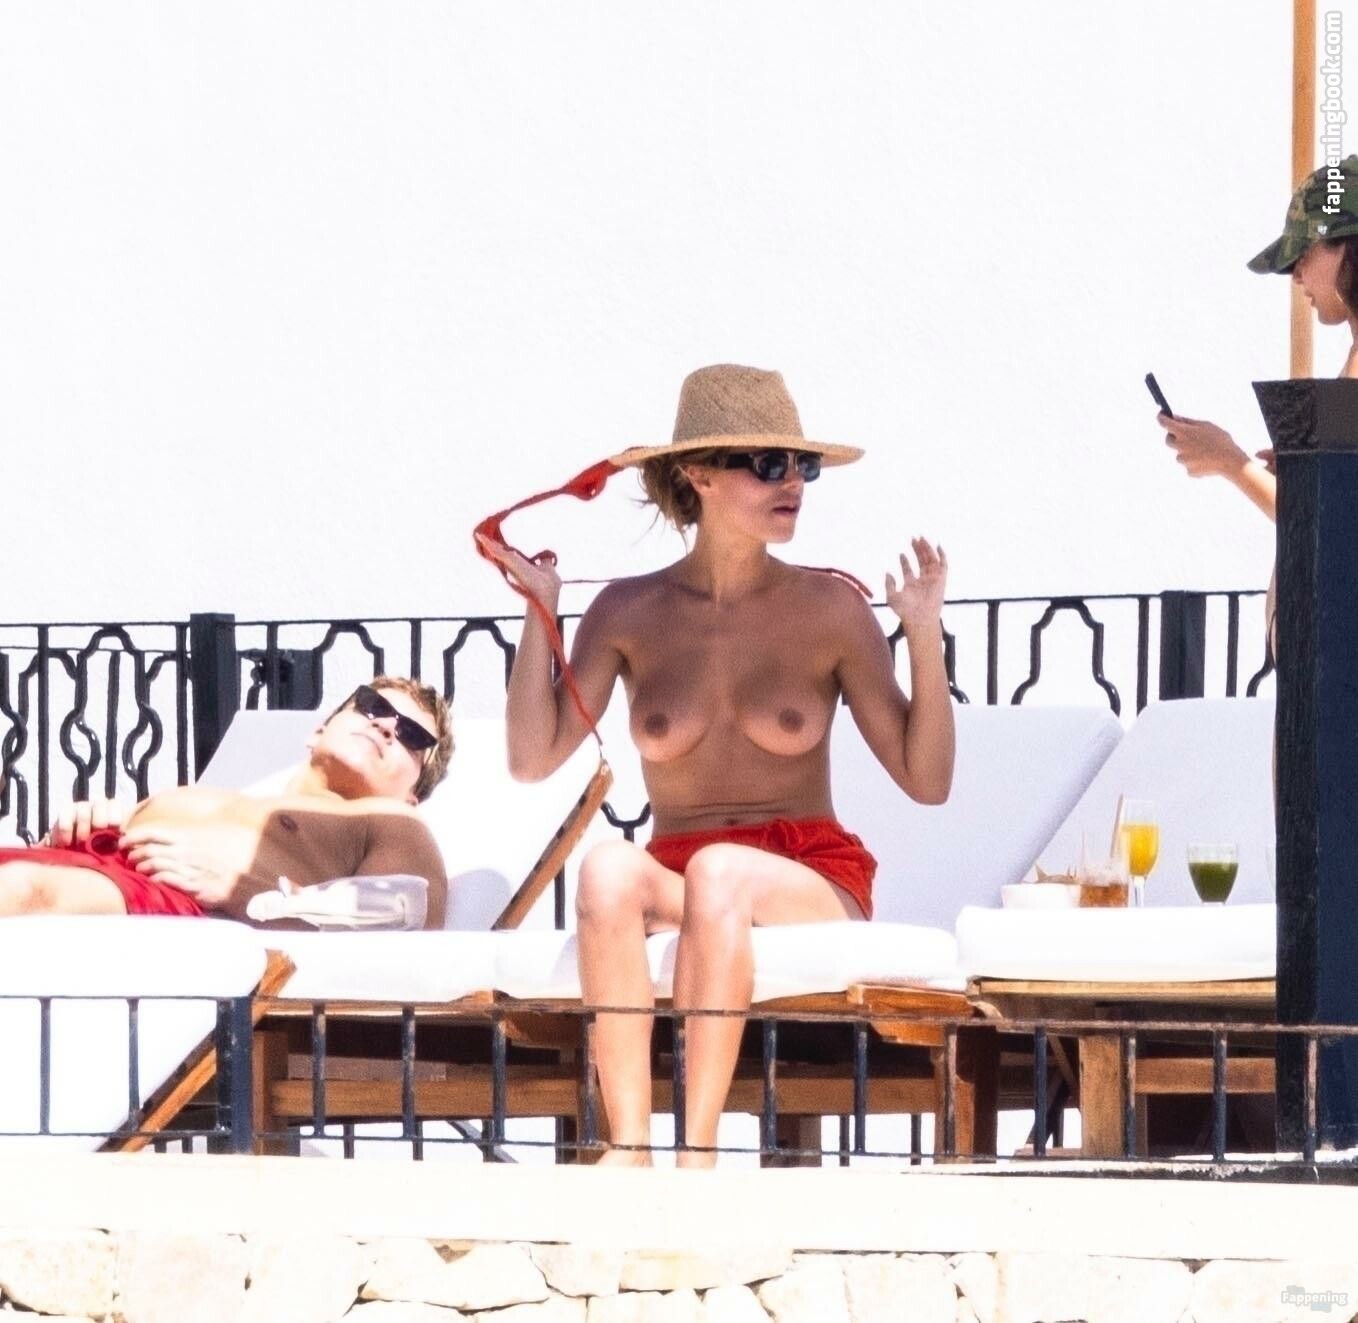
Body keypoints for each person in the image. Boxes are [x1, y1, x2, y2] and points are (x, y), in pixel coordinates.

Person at [478, 363, 954, 1166]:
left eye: (802, 466)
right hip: (683, 870)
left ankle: (696, 1153)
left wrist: (924, 634)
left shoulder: (831, 609)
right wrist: (539, 613)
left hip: (808, 873)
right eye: (767, 464)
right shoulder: (629, 611)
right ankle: (629, 1145)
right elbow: (531, 758)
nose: (792, 482)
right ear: (698, 474)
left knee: (721, 871)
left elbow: (927, 779)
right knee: (607, 868)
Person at [0, 676, 453, 927]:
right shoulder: (214, 796)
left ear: (413, 795)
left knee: (26, 890)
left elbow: (404, 920)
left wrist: (247, 893)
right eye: (372, 706)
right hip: (72, 868)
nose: (385, 726)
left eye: (412, 736)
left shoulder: (390, 820)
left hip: (168, 907)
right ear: (318, 731)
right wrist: (81, 824)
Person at [1158, 155, 1358, 648]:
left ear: (1347, 247)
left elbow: (1332, 523)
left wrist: (1230, 462)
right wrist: (1300, 474)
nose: (1295, 275)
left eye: (1303, 252)